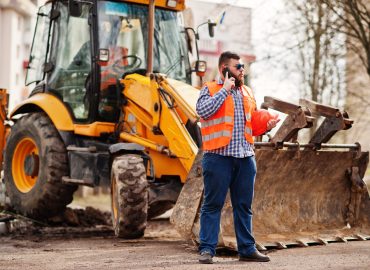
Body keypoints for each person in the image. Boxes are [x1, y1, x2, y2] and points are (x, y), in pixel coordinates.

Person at [196, 51, 279, 264]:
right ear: (224, 68)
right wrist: (225, 90)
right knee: (212, 204)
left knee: (243, 206)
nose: (243, 70)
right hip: (218, 157)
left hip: (245, 157)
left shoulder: (247, 92)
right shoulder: (210, 89)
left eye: (243, 66)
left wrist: (266, 125)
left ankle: (247, 249)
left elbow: (251, 123)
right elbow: (203, 112)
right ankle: (207, 249)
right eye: (238, 66)